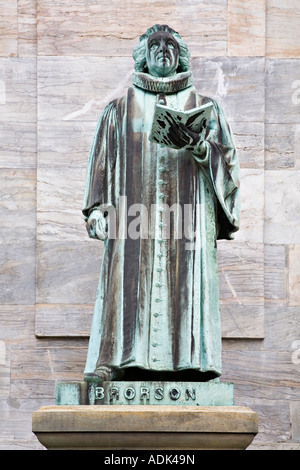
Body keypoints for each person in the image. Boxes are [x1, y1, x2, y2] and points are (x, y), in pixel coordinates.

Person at [82, 24, 240, 383]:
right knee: (126, 280)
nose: (163, 50)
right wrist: (94, 209)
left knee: (185, 280)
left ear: (180, 56)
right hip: (132, 218)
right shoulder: (118, 111)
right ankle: (119, 360)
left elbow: (229, 172)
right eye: (155, 44)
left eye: (171, 44)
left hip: (188, 218)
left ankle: (190, 364)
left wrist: (201, 147)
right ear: (144, 55)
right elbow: (102, 163)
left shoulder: (206, 109)